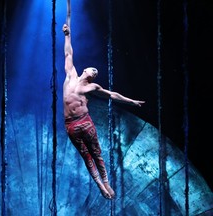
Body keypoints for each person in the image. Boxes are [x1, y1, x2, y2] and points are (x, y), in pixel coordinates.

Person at [62, 23, 145, 200]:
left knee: (96, 152)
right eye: (94, 69)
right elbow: (68, 54)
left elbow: (112, 95)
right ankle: (100, 184)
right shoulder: (70, 76)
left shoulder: (92, 86)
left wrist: (131, 101)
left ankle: (105, 181)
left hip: (85, 122)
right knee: (86, 155)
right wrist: (67, 35)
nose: (95, 72)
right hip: (70, 125)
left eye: (97, 72)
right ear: (85, 70)